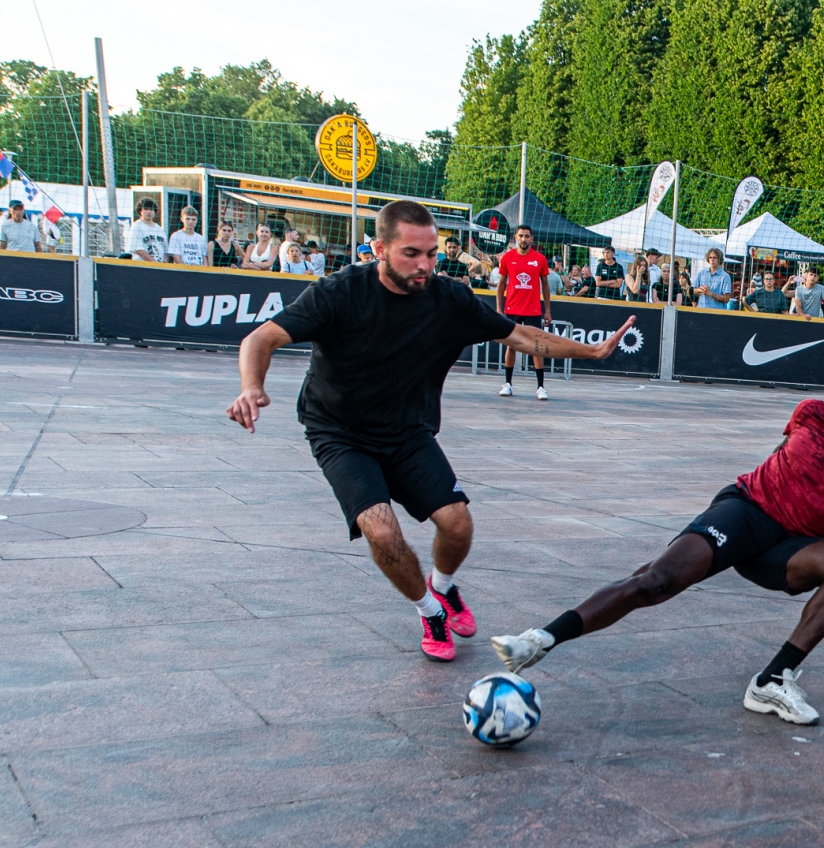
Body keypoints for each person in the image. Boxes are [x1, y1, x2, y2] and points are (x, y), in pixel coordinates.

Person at [225, 200, 633, 661]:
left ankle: (442, 587)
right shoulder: (339, 292)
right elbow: (260, 339)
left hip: (408, 431)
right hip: (340, 433)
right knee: (382, 533)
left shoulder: (449, 300)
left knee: (457, 523)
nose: (424, 265)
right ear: (380, 249)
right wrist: (251, 387)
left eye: (432, 254)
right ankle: (430, 611)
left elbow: (520, 336)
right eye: (411, 253)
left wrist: (591, 352)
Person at [491, 372, 824, 725]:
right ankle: (539, 640)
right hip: (745, 513)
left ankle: (771, 680)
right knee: (656, 581)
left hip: (789, 549)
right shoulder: (813, 412)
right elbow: (784, 451)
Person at [496, 222, 553, 400]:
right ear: (516, 237)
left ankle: (540, 387)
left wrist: (548, 310)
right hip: (512, 308)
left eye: (527, 236)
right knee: (511, 345)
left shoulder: (540, 259)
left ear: (531, 238)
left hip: (533, 309)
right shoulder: (507, 257)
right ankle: (508, 384)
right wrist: (499, 309)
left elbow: (545, 286)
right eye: (521, 236)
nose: (524, 239)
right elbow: (501, 285)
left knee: (536, 348)